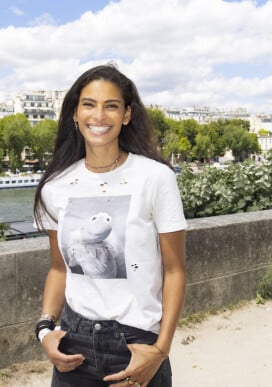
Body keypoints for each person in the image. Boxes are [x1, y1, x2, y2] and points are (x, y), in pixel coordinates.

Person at [33, 64, 187, 387]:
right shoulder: (56, 187)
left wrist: (160, 350)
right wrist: (45, 331)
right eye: (89, 104)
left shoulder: (155, 178)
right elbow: (59, 269)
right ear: (75, 114)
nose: (99, 115)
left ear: (127, 115)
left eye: (111, 106)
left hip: (136, 345)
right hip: (73, 346)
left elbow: (175, 270)